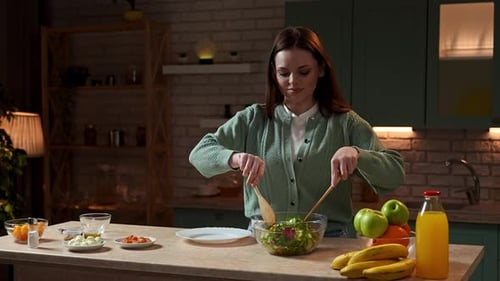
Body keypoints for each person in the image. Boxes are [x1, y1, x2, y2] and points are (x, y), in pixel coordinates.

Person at [188, 26, 405, 237]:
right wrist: (234, 158)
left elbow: (394, 174)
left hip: (328, 243)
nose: (292, 82)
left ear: (320, 69)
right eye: (284, 73)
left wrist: (358, 154)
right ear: (274, 73)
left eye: (303, 72)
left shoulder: (345, 122)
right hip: (263, 242)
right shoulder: (253, 118)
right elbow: (199, 154)